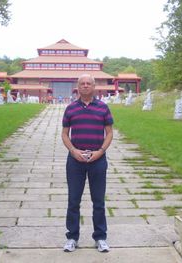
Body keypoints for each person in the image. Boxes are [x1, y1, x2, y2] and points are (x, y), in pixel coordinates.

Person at [61, 74, 114, 253]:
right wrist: (73, 151)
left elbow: (109, 133)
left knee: (98, 201)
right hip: (75, 160)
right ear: (77, 87)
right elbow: (64, 134)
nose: (85, 86)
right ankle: (72, 237)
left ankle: (100, 237)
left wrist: (100, 152)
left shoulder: (103, 108)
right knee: (73, 201)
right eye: (82, 83)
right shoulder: (70, 109)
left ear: (94, 86)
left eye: (88, 83)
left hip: (97, 159)